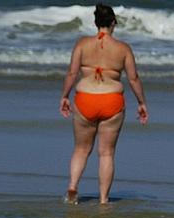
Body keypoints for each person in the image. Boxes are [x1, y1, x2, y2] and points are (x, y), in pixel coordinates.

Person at [59, 4, 148, 204]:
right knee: (106, 153)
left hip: (85, 99)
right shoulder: (123, 48)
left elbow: (72, 73)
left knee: (81, 149)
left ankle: (73, 186)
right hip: (112, 101)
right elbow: (133, 79)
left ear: (95, 23)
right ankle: (103, 199)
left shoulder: (82, 44)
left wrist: (64, 96)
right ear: (113, 23)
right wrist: (141, 103)